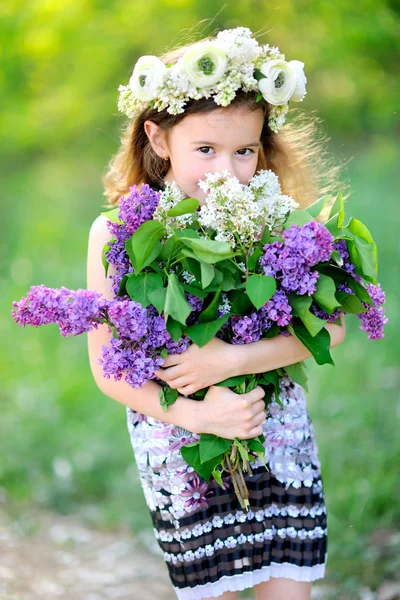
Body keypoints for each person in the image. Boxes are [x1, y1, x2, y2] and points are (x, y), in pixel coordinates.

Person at [87, 27, 348, 600]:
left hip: (272, 433)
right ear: (158, 138)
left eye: (245, 151)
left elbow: (330, 326)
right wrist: (198, 416)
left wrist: (229, 359)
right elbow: (108, 369)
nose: (227, 171)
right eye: (205, 149)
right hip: (183, 446)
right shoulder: (118, 233)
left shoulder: (274, 221)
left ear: (263, 146)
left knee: (289, 584)